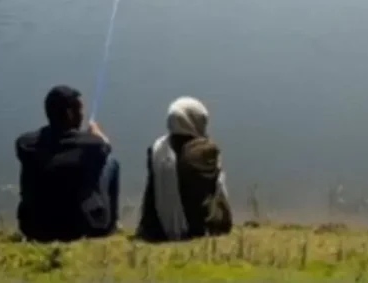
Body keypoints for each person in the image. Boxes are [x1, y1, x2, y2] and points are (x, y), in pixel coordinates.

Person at [14, 85, 121, 242]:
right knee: (111, 163)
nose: (82, 114)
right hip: (82, 227)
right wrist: (97, 133)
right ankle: (111, 225)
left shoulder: (25, 144)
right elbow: (106, 147)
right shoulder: (93, 145)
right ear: (70, 113)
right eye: (80, 110)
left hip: (34, 227)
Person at [135, 96, 233, 242]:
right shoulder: (205, 151)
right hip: (198, 227)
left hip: (157, 229)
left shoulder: (156, 149)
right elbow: (214, 192)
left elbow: (150, 194)